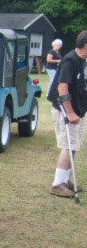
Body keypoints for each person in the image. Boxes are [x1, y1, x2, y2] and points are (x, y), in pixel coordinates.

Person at [47, 31, 87, 197]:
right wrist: (70, 113)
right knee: (68, 146)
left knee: (74, 146)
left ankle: (64, 179)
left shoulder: (83, 60)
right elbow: (62, 88)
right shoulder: (70, 60)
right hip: (66, 111)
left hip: (78, 110)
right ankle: (57, 184)